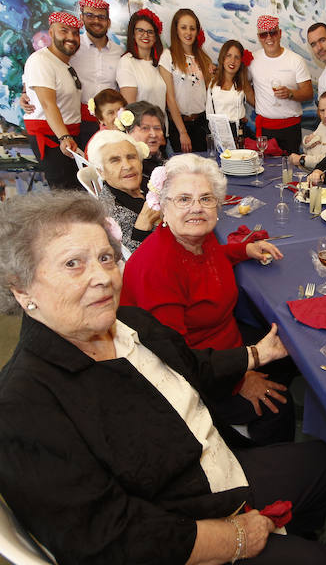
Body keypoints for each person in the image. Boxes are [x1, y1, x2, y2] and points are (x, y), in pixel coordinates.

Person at [0, 191, 326, 565]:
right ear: (21, 289)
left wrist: (258, 354)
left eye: (106, 258)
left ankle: (295, 535)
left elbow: (194, 367)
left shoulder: (130, 324)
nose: (103, 277)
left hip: (212, 468)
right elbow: (109, 539)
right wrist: (236, 539)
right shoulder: (19, 413)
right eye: (73, 263)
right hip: (176, 525)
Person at [121, 155, 297, 445]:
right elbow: (177, 361)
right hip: (198, 376)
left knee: (292, 350)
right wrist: (240, 379)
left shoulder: (196, 237)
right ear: (163, 207)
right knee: (280, 405)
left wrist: (244, 250)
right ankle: (256, 463)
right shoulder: (157, 268)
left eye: (206, 198)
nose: (196, 208)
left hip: (224, 342)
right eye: (183, 199)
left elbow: (211, 258)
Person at [22, 12, 83, 189]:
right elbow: (48, 104)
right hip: (54, 137)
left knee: (76, 189)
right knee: (65, 193)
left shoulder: (63, 63)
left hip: (68, 135)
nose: (71, 37)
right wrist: (64, 137)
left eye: (75, 33)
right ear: (51, 33)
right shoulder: (41, 60)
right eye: (64, 31)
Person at [86, 130, 160, 252]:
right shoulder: (111, 213)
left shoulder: (150, 182)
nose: (127, 166)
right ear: (101, 172)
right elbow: (131, 264)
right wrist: (141, 228)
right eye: (115, 160)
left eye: (131, 157)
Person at [248, 15, 313, 154]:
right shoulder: (253, 60)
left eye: (273, 32)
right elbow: (241, 82)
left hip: (290, 128)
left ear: (280, 33)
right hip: (265, 128)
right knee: (265, 169)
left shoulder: (296, 60)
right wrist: (258, 103)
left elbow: (308, 93)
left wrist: (290, 94)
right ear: (259, 37)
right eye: (264, 34)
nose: (269, 38)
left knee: (291, 169)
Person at [69, 0, 125, 143]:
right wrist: (26, 90)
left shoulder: (119, 52)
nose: (96, 21)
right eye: (90, 16)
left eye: (101, 17)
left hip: (111, 123)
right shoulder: (73, 47)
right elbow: (49, 61)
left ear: (108, 21)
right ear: (81, 18)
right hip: (78, 121)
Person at [160, 9, 214, 153]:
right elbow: (170, 98)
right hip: (180, 125)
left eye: (192, 28)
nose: (188, 33)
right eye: (183, 27)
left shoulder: (203, 57)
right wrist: (182, 132)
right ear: (176, 30)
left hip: (202, 124)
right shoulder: (168, 56)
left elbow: (211, 92)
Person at [116, 9, 167, 118]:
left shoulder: (160, 63)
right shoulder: (127, 62)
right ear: (133, 34)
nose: (145, 35)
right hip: (141, 129)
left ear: (155, 36)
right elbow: (130, 108)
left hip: (160, 128)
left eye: (150, 32)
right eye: (140, 30)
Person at [206, 39, 255, 146]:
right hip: (218, 133)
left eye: (237, 57)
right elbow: (209, 114)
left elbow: (258, 104)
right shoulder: (212, 83)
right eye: (229, 55)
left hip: (239, 133)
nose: (232, 61)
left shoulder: (243, 84)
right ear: (223, 58)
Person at [287, 89, 326, 173]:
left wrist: (302, 159)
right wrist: (307, 142)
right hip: (306, 172)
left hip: (322, 179)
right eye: (322, 110)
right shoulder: (323, 124)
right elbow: (309, 151)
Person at [116, 101, 166, 176]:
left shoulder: (160, 159)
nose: (153, 134)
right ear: (128, 131)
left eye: (157, 128)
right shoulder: (126, 168)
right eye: (145, 128)